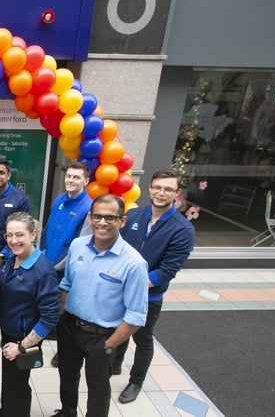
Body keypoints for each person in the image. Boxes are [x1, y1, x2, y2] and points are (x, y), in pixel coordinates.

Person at [51, 194, 149, 417]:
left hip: (102, 337)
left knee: (98, 389)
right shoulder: (77, 246)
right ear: (90, 218)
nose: (102, 222)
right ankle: (67, 412)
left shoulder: (134, 263)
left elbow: (136, 316)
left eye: (110, 217)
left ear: (122, 221)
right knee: (67, 376)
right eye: (97, 216)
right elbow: (66, 283)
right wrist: (60, 315)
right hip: (69, 328)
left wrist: (108, 345)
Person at [114, 169, 195, 404]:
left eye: (168, 189)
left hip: (149, 297)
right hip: (121, 289)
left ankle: (136, 381)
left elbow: (167, 270)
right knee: (119, 328)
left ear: (177, 193)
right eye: (157, 187)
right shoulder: (134, 215)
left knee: (142, 338)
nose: (161, 193)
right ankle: (115, 364)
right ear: (149, 188)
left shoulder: (183, 229)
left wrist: (135, 286)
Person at [0, 212, 60, 417]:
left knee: (18, 385)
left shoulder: (42, 271)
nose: (13, 241)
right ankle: (8, 410)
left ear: (33, 235)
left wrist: (22, 347)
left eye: (19, 235)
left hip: (24, 338)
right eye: (9, 235)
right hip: (9, 331)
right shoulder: (11, 258)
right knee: (11, 379)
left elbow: (50, 317)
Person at [42, 162, 92, 367]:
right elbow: (48, 229)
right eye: (69, 176)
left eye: (76, 177)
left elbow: (80, 245)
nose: (71, 180)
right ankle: (51, 332)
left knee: (64, 310)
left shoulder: (88, 208)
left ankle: (63, 353)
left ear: (86, 181)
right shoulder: (60, 199)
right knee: (51, 304)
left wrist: (56, 266)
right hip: (49, 261)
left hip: (65, 269)